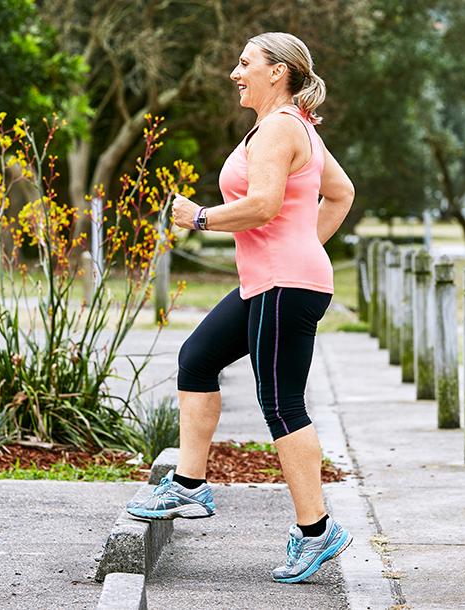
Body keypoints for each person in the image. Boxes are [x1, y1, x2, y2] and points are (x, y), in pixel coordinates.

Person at [126, 31, 355, 584]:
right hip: (274, 279)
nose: (235, 71)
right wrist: (301, 247)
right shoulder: (293, 126)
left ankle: (317, 531)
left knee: (281, 404)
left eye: (245, 62)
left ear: (277, 71)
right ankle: (188, 487)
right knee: (198, 358)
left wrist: (199, 218)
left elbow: (263, 205)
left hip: (285, 285)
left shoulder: (280, 128)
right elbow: (341, 193)